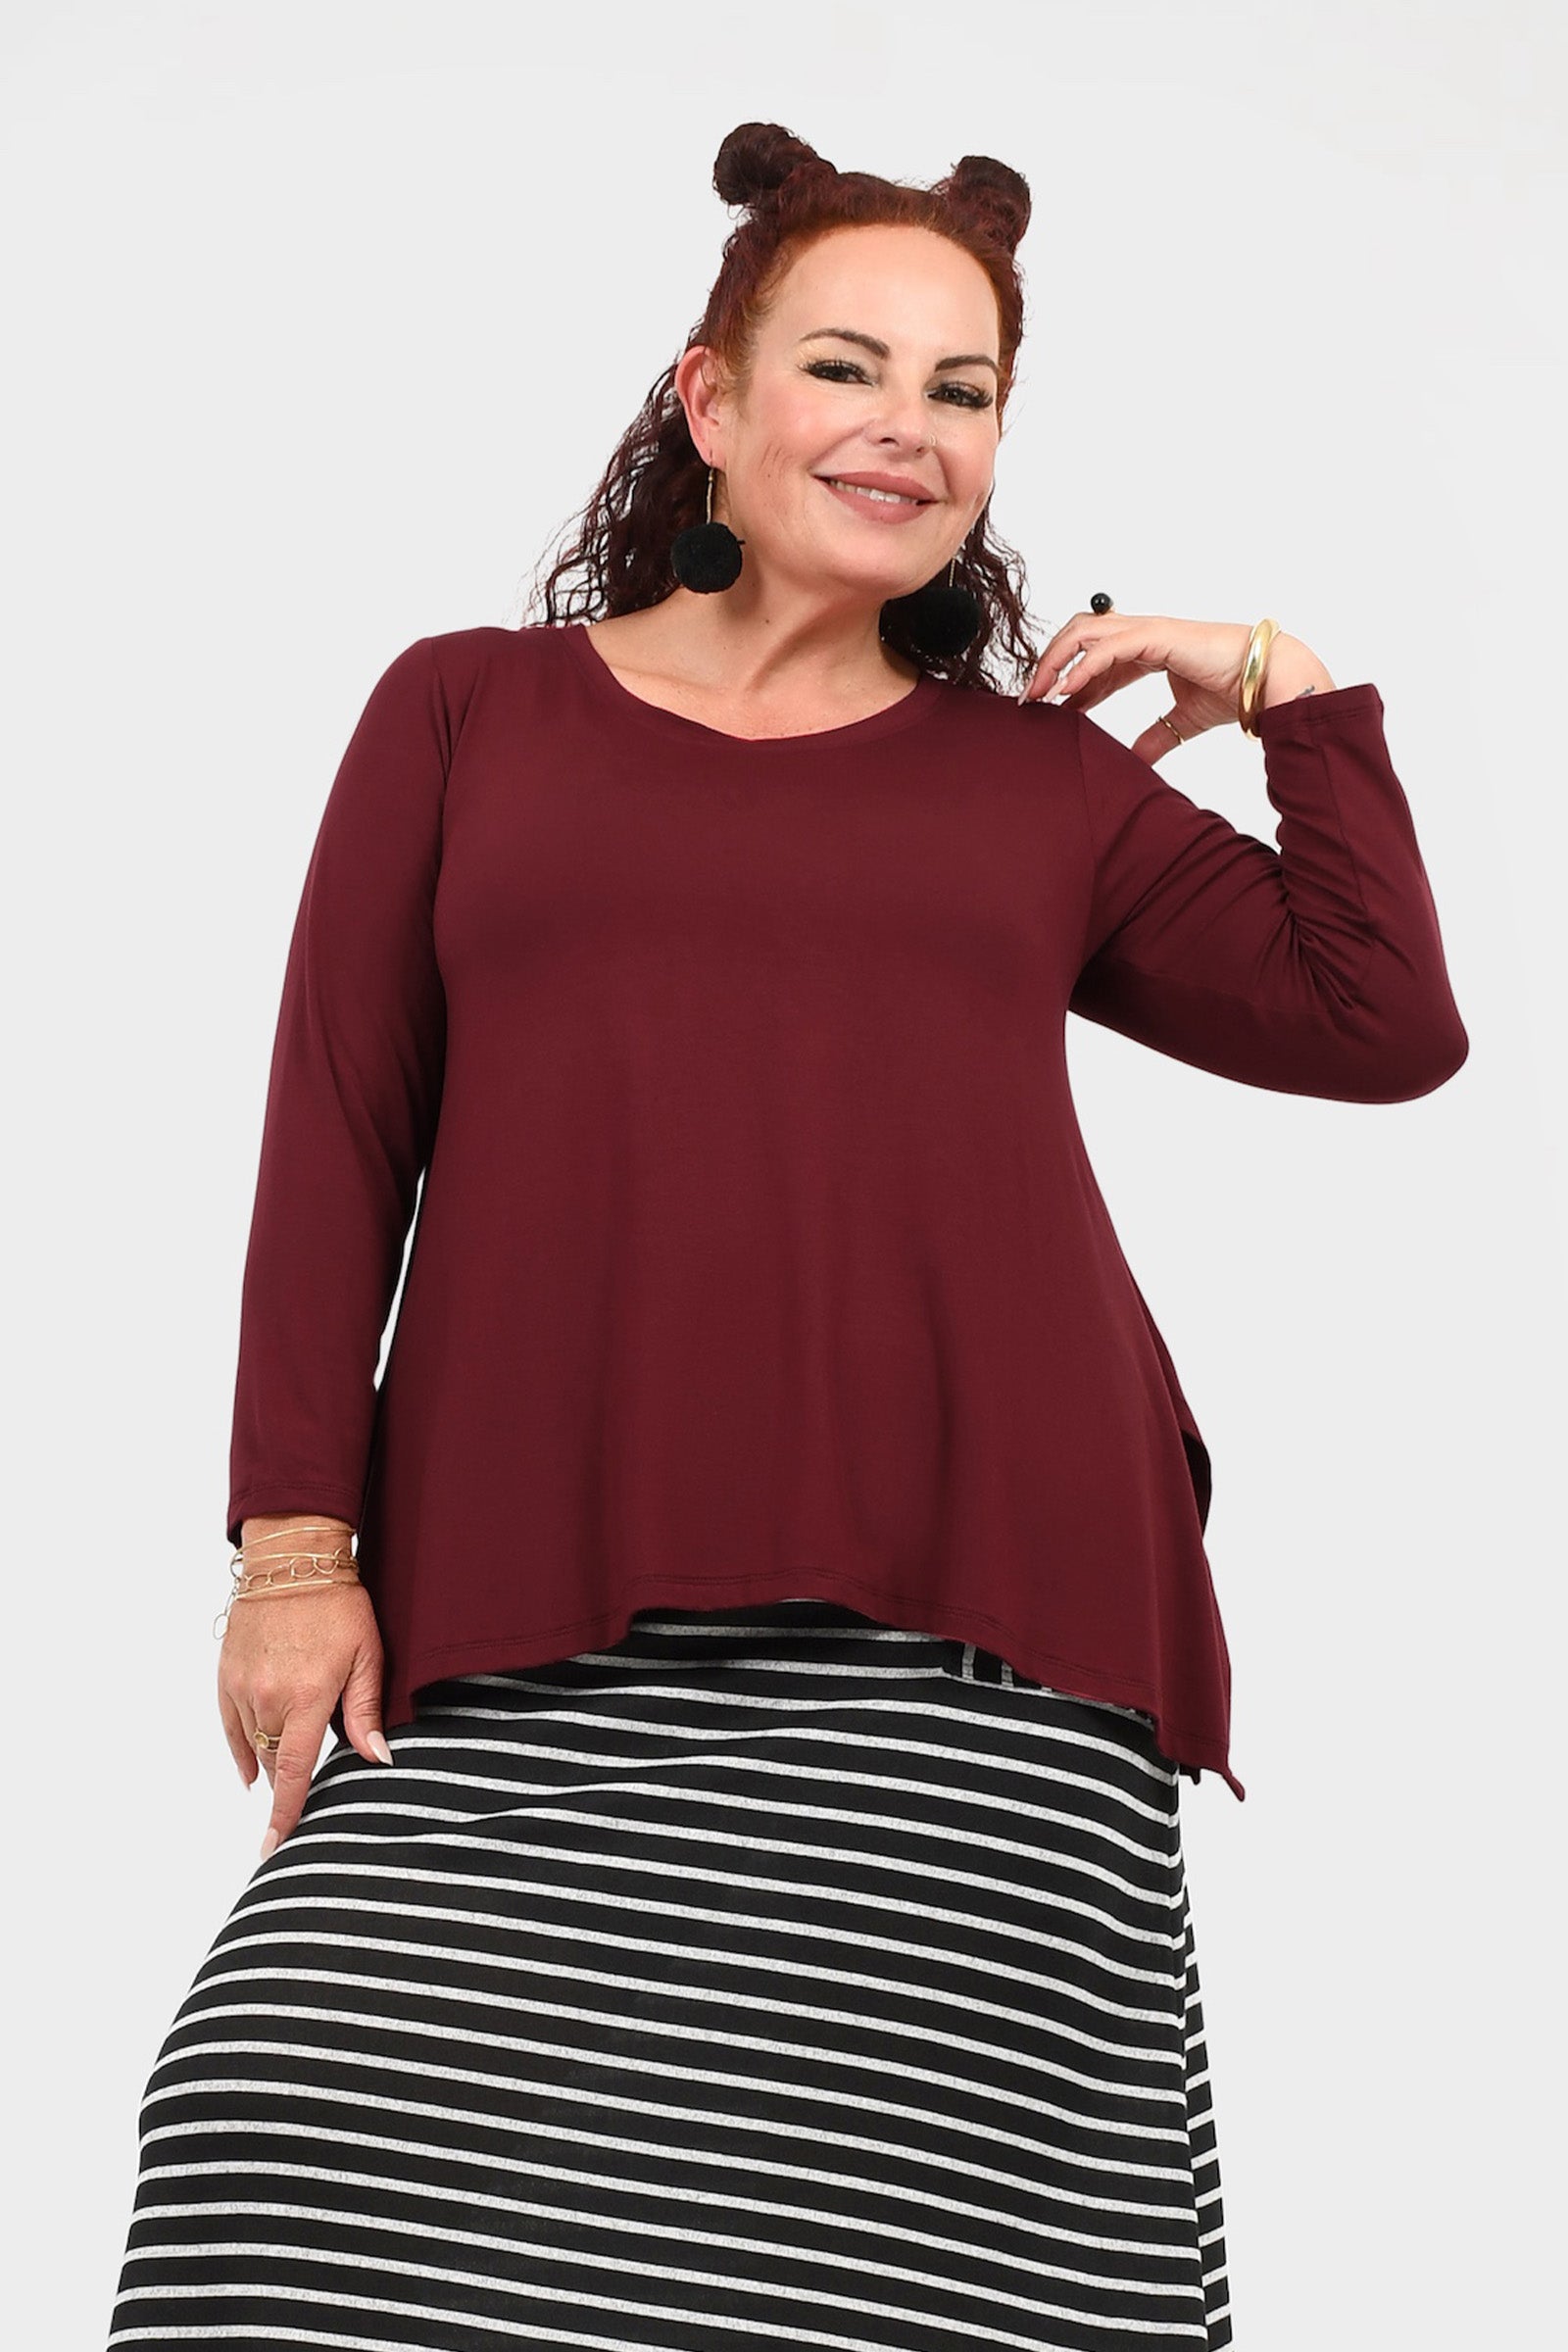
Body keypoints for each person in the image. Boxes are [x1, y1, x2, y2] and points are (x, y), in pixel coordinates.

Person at [106, 122, 1467, 2351]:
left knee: (909, 2267)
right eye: (845, 367)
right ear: (712, 401)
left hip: (970, 1642)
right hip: (526, 1606)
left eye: (961, 389)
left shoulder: (1038, 788)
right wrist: (289, 1548)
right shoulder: (467, 709)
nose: (905, 428)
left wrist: (1286, 693)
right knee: (295, 2159)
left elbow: (1378, 1020)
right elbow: (339, 1128)